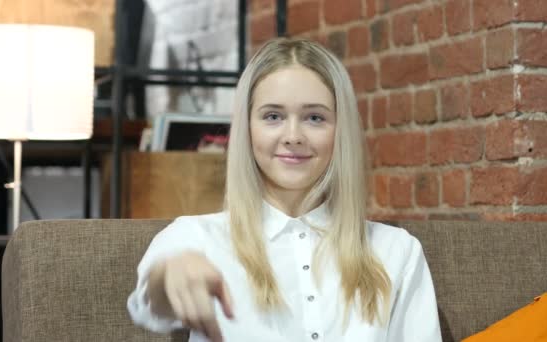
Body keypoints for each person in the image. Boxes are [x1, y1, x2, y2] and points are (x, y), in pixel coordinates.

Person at [127, 37, 442, 342]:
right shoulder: (194, 239)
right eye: (273, 116)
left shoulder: (397, 250)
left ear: (340, 130)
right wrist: (168, 277)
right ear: (247, 128)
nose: (293, 135)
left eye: (315, 117)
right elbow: (149, 306)